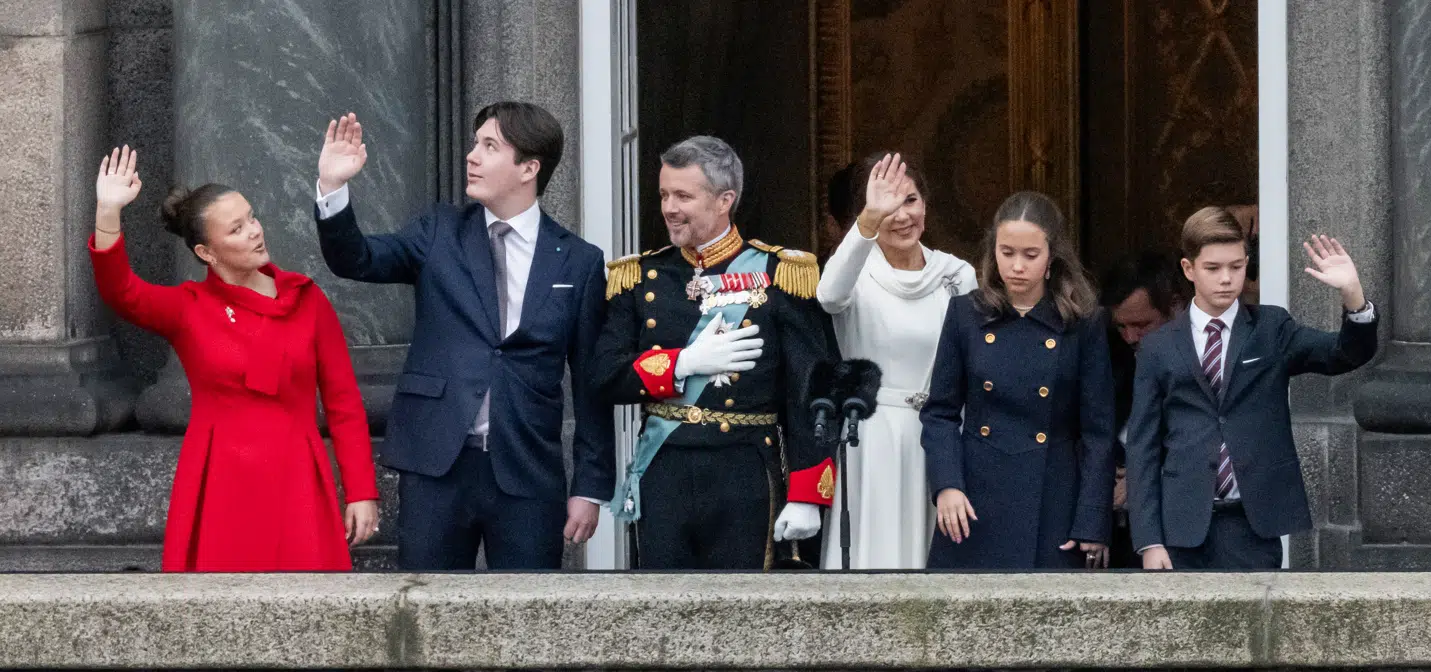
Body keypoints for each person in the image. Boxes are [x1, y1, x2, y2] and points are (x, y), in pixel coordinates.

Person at [312, 104, 614, 571]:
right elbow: (357, 259)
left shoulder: (579, 261)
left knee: (526, 620)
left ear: (529, 168)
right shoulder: (439, 231)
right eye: (475, 143)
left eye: (489, 146)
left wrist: (590, 485)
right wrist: (333, 187)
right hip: (437, 464)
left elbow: (591, 381)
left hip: (527, 471)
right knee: (425, 614)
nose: (472, 156)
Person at [88, 146, 379, 572]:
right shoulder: (189, 307)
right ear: (207, 253)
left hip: (298, 478)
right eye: (237, 230)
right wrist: (108, 211)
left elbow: (344, 403)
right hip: (220, 482)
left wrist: (360, 491)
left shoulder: (306, 299)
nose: (256, 232)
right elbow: (122, 293)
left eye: (253, 219)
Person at [591, 135, 837, 570]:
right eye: (665, 194)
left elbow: (811, 391)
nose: (669, 207)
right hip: (663, 469)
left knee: (745, 614)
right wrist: (681, 364)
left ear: (725, 200)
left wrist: (806, 494)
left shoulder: (781, 275)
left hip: (745, 471)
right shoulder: (641, 276)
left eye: (683, 196)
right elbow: (604, 375)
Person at [1127, 207, 1378, 570]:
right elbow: (1143, 447)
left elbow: (1345, 353)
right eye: (1213, 268)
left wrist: (1353, 295)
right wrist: (1149, 541)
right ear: (1188, 269)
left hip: (1252, 525)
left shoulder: (1271, 329)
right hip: (1180, 526)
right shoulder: (1158, 347)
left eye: (1237, 266)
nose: (1226, 279)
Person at [921, 191, 1114, 570]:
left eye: (1030, 254)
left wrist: (1092, 519)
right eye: (1007, 252)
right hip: (973, 498)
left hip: (1053, 497)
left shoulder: (1082, 322)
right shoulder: (965, 314)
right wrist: (947, 486)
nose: (1017, 266)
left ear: (1051, 257)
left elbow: (1098, 432)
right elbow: (940, 413)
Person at [816, 152, 976, 569]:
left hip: (941, 435)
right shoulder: (854, 272)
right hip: (872, 434)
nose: (901, 215)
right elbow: (829, 295)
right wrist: (868, 221)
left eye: (911, 200)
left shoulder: (957, 274)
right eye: (887, 205)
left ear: (926, 204)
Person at [1098, 250, 1187, 567]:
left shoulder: (1205, 357)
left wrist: (1143, 478)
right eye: (1121, 326)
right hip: (1114, 538)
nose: (1130, 337)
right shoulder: (1110, 357)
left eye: (1142, 324)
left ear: (1176, 306)